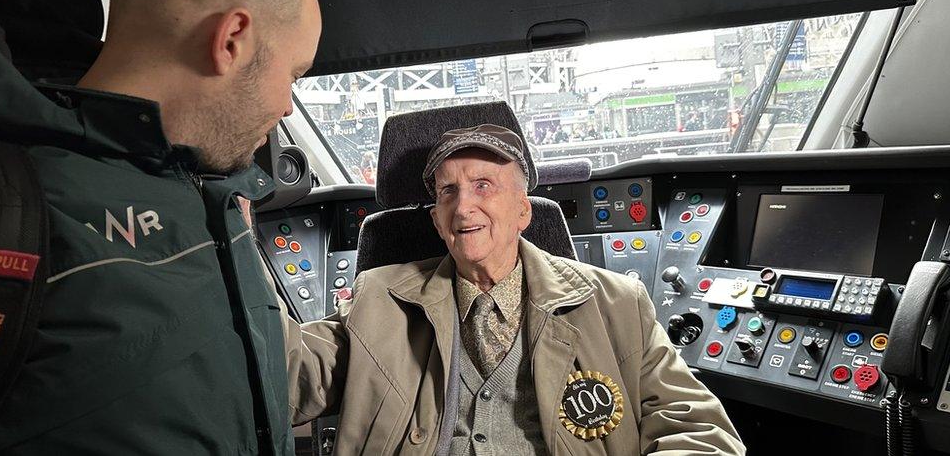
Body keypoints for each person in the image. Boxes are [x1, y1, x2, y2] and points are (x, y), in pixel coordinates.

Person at [0, 0, 321, 453]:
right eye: (293, 74)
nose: (287, 105)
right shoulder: (11, 198)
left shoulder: (217, 194)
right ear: (231, 39)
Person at [286, 124, 746, 454]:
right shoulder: (378, 300)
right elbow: (283, 375)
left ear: (524, 211)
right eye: (447, 192)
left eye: (483, 186)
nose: (463, 205)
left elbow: (700, 428)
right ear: (436, 220)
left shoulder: (617, 304)